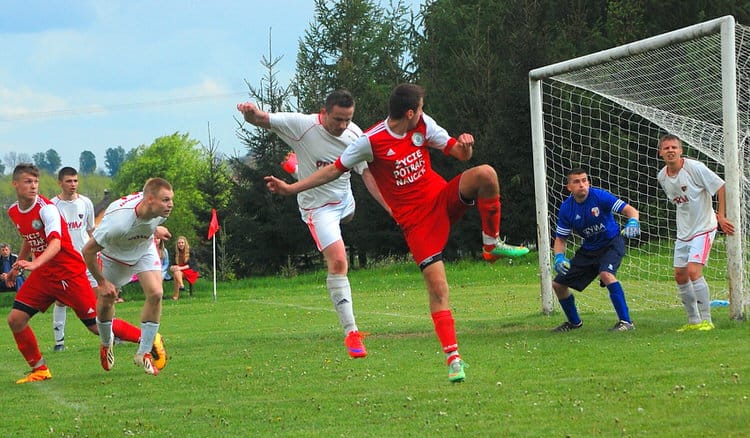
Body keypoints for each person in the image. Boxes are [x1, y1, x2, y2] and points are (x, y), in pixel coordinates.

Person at [263, 83, 529, 383]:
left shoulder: (424, 125)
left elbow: (459, 153)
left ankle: (491, 245)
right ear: (410, 112)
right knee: (439, 290)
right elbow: (334, 170)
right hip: (417, 223)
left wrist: (466, 146)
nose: (424, 113)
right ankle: (454, 359)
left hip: (441, 198)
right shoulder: (370, 141)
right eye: (422, 108)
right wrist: (292, 187)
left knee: (486, 174)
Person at [237, 90, 391, 359]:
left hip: (345, 201)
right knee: (339, 262)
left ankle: (297, 168)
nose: (342, 126)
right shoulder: (302, 125)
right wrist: (250, 113)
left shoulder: (355, 135)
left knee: (349, 216)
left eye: (348, 119)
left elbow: (367, 174)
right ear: (324, 112)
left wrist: (390, 208)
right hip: (318, 209)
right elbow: (263, 119)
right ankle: (352, 333)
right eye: (337, 120)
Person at [5, 163, 156, 384]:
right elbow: (29, 238)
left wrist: (34, 264)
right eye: (28, 182)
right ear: (15, 184)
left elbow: (55, 243)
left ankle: (149, 341)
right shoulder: (13, 211)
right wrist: (19, 264)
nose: (34, 186)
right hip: (44, 275)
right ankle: (40, 369)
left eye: (36, 182)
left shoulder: (47, 209)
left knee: (96, 326)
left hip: (69, 273)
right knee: (16, 319)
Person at [82, 177, 174, 376]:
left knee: (156, 293)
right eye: (166, 200)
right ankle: (107, 343)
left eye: (170, 199)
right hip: (112, 257)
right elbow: (87, 251)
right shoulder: (118, 223)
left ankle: (144, 353)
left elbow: (146, 222)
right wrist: (102, 282)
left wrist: (155, 230)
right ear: (150, 199)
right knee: (106, 301)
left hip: (143, 248)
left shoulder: (159, 212)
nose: (170, 205)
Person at [656, 134, 735, 331]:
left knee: (693, 272)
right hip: (684, 232)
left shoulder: (695, 168)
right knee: (679, 275)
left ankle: (707, 320)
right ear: (660, 153)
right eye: (666, 148)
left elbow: (721, 187)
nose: (670, 151)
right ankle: (693, 321)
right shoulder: (662, 176)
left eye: (674, 147)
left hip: (704, 227)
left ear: (681, 150)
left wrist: (720, 215)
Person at [550, 167, 640, 333]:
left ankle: (626, 322)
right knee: (558, 284)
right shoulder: (566, 209)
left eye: (584, 180)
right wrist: (559, 257)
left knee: (606, 274)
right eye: (576, 182)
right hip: (589, 249)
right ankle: (574, 323)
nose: (582, 185)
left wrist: (633, 221)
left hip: (611, 243)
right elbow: (561, 239)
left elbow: (630, 210)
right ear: (569, 187)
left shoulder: (600, 196)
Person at [50, 167, 96, 352]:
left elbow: (91, 230)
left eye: (75, 181)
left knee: (101, 295)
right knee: (61, 300)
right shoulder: (52, 206)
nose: (73, 185)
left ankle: (112, 336)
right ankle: (59, 342)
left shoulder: (86, 203)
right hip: (65, 261)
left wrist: (98, 251)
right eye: (69, 181)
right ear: (60, 183)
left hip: (86, 258)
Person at [170, 235, 199, 300]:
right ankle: (182, 285)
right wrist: (172, 268)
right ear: (177, 244)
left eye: (182, 243)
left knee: (176, 273)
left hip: (190, 270)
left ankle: (176, 296)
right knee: (176, 273)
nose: (180, 244)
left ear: (185, 243)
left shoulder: (190, 251)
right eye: (179, 243)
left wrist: (179, 268)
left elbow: (191, 265)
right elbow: (172, 264)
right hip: (180, 271)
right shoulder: (175, 253)